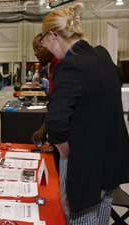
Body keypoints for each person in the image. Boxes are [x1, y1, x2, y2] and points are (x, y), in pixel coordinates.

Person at [41, 3, 129, 224]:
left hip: (84, 165)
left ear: (53, 36)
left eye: (44, 42)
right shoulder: (101, 55)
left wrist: (65, 150)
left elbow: (56, 122)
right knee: (101, 218)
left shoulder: (70, 66)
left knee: (80, 218)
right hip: (109, 161)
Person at [30, 32, 60, 172]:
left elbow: (61, 106)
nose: (36, 54)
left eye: (37, 48)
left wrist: (43, 130)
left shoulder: (63, 66)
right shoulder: (52, 67)